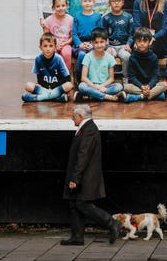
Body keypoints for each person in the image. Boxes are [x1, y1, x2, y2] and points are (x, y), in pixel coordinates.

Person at [61, 104, 122, 246]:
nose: (72, 119)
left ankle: (112, 223)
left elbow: (83, 155)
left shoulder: (88, 130)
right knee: (74, 204)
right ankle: (77, 237)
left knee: (82, 204)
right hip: (83, 175)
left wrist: (75, 178)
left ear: (80, 116)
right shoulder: (86, 128)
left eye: (73, 116)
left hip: (85, 176)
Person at [73, 27, 126, 102]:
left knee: (119, 86)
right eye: (96, 42)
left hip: (104, 85)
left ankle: (90, 96)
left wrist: (100, 86)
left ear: (107, 41)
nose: (99, 45)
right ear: (92, 43)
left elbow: (111, 79)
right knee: (82, 86)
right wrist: (94, 86)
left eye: (102, 42)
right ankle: (109, 97)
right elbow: (83, 78)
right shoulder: (88, 56)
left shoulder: (110, 58)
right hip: (90, 85)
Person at [21, 32, 74, 103]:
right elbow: (39, 78)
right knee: (28, 85)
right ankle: (56, 97)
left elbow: (67, 78)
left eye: (51, 46)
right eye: (45, 46)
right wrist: (46, 89)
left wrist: (54, 88)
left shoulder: (59, 58)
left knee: (69, 85)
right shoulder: (38, 59)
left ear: (55, 47)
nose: (48, 49)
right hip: (44, 88)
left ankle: (38, 98)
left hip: (57, 87)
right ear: (40, 47)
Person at [124, 27, 167, 103]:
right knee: (126, 87)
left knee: (165, 85)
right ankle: (156, 95)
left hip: (151, 85)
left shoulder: (154, 57)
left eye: (145, 41)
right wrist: (141, 86)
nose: (142, 43)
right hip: (138, 86)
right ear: (135, 42)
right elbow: (132, 77)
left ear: (149, 42)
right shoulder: (132, 57)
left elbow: (156, 75)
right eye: (139, 41)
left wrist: (149, 86)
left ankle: (140, 96)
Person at [102, 0, 134, 84]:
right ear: (109, 3)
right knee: (107, 56)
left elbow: (131, 34)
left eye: (119, 0)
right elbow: (104, 35)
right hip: (111, 46)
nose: (116, 3)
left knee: (126, 56)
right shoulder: (106, 18)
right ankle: (108, 78)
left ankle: (125, 77)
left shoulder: (128, 17)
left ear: (123, 2)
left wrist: (128, 44)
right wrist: (107, 47)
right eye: (113, 1)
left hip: (123, 46)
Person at [73, 0, 103, 77]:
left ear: (93, 2)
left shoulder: (97, 16)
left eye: (90, 1)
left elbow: (100, 33)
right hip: (80, 44)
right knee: (82, 54)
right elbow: (74, 34)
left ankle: (92, 76)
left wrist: (93, 44)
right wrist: (80, 44)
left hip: (93, 43)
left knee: (92, 55)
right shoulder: (77, 16)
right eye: (85, 1)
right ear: (81, 2)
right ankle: (79, 77)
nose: (87, 3)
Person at [41, 0, 74, 71]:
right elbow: (46, 37)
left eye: (63, 5)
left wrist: (65, 43)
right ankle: (53, 74)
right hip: (52, 44)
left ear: (67, 6)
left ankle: (65, 74)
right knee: (51, 52)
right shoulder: (49, 20)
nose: (61, 8)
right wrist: (54, 44)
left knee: (67, 53)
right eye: (58, 6)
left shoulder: (71, 19)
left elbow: (72, 37)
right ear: (53, 8)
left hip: (66, 43)